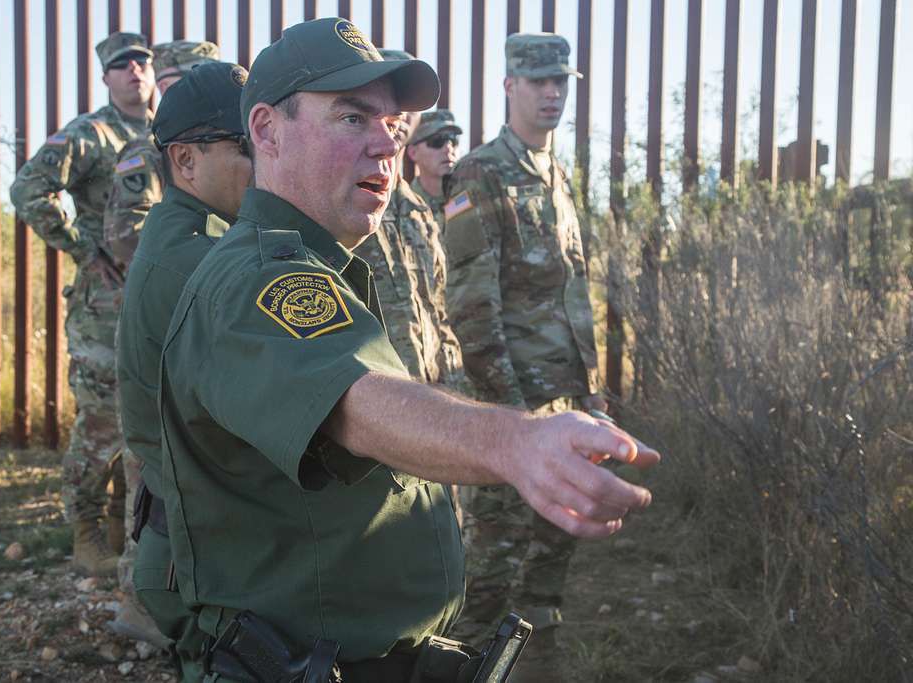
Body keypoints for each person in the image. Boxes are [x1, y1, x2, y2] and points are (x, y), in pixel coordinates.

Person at [158, 18, 658, 682]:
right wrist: (515, 441)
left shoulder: (322, 263)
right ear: (267, 130)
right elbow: (356, 399)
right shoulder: (259, 277)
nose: (385, 147)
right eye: (351, 119)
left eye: (391, 126)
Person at [442, 32, 604, 678]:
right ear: (508, 86)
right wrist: (511, 419)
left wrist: (590, 391)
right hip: (513, 411)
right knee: (494, 570)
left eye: (561, 81)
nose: (552, 93)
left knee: (548, 563)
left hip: (563, 403)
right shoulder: (481, 173)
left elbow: (573, 288)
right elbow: (472, 306)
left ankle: (536, 668)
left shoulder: (556, 173)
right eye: (538, 82)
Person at [115, 61, 252, 678]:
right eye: (246, 145)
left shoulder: (205, 237)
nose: (266, 159)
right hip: (201, 556)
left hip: (197, 543)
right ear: (185, 161)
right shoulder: (198, 261)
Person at [10, 31, 155, 577]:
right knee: (100, 420)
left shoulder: (170, 133)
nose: (134, 71)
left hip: (153, 301)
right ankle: (86, 531)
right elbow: (28, 189)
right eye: (122, 65)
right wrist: (83, 247)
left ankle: (126, 526)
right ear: (106, 78)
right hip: (105, 308)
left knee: (143, 417)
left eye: (142, 61)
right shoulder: (90, 135)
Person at [102, 39, 220, 648]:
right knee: (150, 469)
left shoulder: (223, 147)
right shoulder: (140, 154)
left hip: (192, 317)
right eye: (171, 78)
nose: (175, 88)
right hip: (156, 310)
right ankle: (144, 600)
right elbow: (129, 235)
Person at [353, 49, 467, 393]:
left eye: (404, 105)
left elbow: (438, 310)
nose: (397, 115)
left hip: (433, 395)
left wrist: (457, 393)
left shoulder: (420, 211)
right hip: (381, 401)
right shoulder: (347, 202)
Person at [104, 40, 220, 269]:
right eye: (199, 79)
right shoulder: (150, 152)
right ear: (167, 87)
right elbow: (128, 236)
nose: (214, 88)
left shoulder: (229, 143)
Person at [407, 109, 462, 226]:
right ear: (413, 152)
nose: (448, 148)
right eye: (437, 141)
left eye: (453, 140)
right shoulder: (402, 204)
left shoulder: (473, 196)